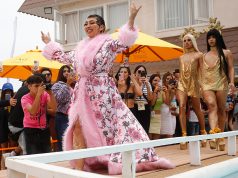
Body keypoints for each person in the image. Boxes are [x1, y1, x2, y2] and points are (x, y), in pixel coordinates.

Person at [41, 2, 174, 175]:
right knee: (79, 126)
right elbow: (63, 57)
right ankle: (80, 169)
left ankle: (107, 159)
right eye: (85, 23)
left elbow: (124, 41)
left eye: (92, 22)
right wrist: (49, 43)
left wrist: (132, 18)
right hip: (82, 93)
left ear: (101, 27)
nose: (87, 25)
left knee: (108, 126)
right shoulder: (79, 49)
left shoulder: (108, 43)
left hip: (102, 92)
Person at [200, 28, 235, 151]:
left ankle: (220, 137)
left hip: (222, 83)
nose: (211, 40)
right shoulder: (203, 56)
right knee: (211, 105)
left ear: (218, 38)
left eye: (213, 37)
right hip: (207, 85)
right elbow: (200, 72)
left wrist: (231, 82)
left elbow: (230, 68)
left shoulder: (226, 53)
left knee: (221, 110)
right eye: (209, 37)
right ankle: (213, 134)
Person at [176, 33, 206, 150]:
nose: (186, 42)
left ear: (192, 41)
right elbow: (181, 72)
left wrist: (203, 87)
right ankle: (184, 136)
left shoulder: (199, 55)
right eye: (184, 40)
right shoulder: (181, 57)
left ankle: (203, 132)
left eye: (189, 40)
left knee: (197, 108)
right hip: (182, 84)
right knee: (182, 107)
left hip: (194, 83)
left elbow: (202, 72)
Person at [21, 74, 56, 154]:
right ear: (29, 87)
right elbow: (33, 111)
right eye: (36, 86)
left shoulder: (45, 94)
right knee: (33, 155)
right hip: (30, 129)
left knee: (46, 154)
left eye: (40, 86)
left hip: (44, 129)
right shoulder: (25, 98)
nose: (39, 88)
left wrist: (50, 93)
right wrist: (38, 95)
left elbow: (54, 109)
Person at [51, 65, 75, 151]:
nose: (66, 73)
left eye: (68, 71)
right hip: (63, 117)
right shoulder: (56, 85)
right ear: (61, 73)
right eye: (64, 71)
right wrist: (67, 84)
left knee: (74, 142)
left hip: (74, 118)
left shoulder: (75, 85)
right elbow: (58, 99)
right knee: (64, 142)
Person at [40, 67, 57, 151]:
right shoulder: (38, 87)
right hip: (39, 120)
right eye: (44, 75)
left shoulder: (55, 87)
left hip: (53, 119)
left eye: (48, 74)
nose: (46, 76)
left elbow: (55, 109)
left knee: (55, 143)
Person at [133, 65, 153, 134]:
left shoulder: (148, 83)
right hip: (135, 107)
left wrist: (147, 84)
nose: (140, 73)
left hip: (145, 108)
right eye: (139, 71)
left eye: (143, 72)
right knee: (136, 129)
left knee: (145, 129)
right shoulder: (132, 83)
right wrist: (138, 84)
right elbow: (132, 99)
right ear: (135, 73)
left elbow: (150, 98)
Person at [160, 72, 177, 138]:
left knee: (172, 131)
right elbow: (167, 102)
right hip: (165, 111)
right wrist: (169, 91)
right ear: (164, 79)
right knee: (166, 132)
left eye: (170, 79)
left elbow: (177, 100)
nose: (169, 80)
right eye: (167, 79)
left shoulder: (174, 89)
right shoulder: (163, 88)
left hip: (172, 112)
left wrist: (174, 90)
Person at [148, 74, 162, 140]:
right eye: (155, 80)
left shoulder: (161, 92)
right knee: (149, 138)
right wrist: (155, 92)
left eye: (159, 81)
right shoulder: (149, 91)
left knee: (157, 139)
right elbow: (152, 104)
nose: (157, 82)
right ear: (151, 81)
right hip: (150, 117)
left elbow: (167, 102)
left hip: (158, 117)